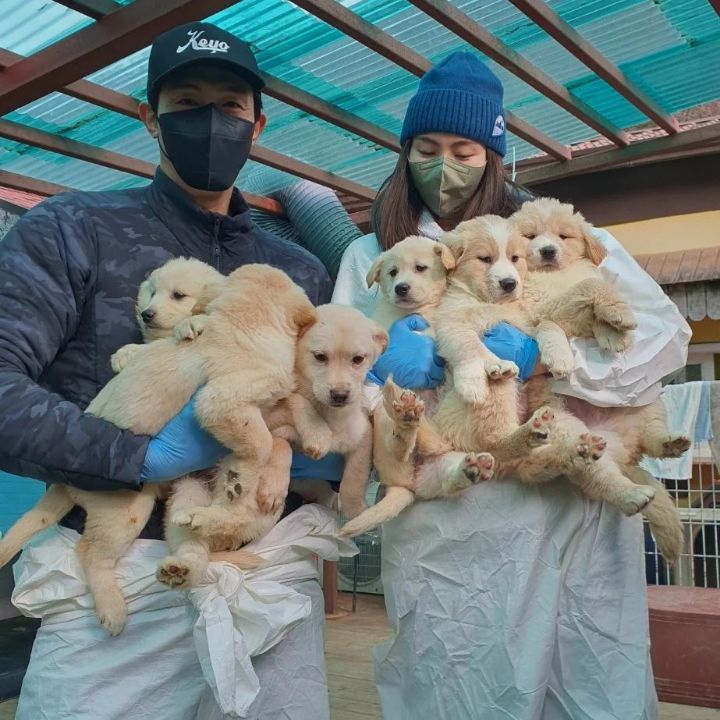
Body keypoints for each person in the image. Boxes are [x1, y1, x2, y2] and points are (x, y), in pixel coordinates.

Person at [332, 52, 691, 719]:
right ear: (404, 152)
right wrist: (385, 374)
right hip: (452, 515)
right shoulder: (371, 255)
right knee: (458, 676)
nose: (445, 165)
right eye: (427, 148)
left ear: (493, 154)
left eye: (464, 148)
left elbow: (662, 338)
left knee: (586, 675)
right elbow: (339, 373)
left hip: (566, 503)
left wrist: (552, 362)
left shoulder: (556, 237)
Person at [0, 22, 341, 720]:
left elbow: (326, 416)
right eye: (186, 103)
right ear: (149, 117)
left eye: (229, 107)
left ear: (256, 123)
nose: (210, 123)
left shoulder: (299, 274)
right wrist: (140, 454)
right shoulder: (72, 230)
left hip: (263, 572)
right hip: (119, 573)